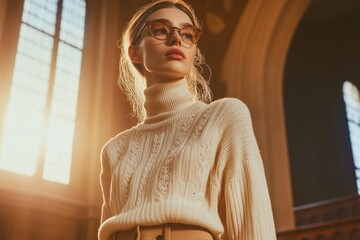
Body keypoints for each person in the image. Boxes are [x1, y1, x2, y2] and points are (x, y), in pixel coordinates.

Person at [98, 0, 277, 239]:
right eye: (161, 30)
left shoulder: (225, 116)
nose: (176, 39)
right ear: (135, 52)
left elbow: (254, 226)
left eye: (187, 34)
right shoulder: (114, 150)